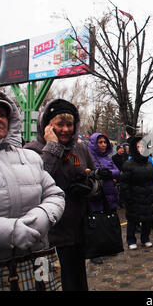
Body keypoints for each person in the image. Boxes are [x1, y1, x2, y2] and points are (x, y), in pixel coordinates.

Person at [0, 86, 65, 291]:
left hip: (38, 263)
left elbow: (55, 194)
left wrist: (44, 216)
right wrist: (8, 232)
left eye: (2, 114)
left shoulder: (29, 158)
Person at [25, 98, 103, 291]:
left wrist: (90, 187)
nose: (66, 129)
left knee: (78, 284)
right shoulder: (31, 151)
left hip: (78, 233)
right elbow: (34, 186)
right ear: (47, 125)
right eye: (60, 124)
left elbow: (95, 179)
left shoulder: (80, 148)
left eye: (70, 124)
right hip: (50, 237)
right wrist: (52, 148)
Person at [87, 132, 121, 264]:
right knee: (96, 223)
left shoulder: (108, 157)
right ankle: (95, 252)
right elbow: (87, 171)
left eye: (104, 142)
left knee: (109, 220)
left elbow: (117, 172)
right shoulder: (89, 156)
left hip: (109, 192)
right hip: (96, 193)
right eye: (100, 142)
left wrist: (109, 173)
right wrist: (97, 173)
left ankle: (109, 247)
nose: (103, 145)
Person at [120, 135, 153, 250]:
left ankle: (145, 238)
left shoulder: (149, 163)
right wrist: (128, 198)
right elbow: (124, 183)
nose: (142, 148)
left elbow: (152, 180)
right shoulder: (128, 164)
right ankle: (131, 240)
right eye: (139, 146)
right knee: (132, 219)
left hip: (147, 195)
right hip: (134, 196)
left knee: (147, 219)